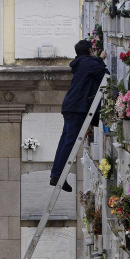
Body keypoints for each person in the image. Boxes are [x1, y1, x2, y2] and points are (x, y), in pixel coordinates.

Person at [50, 39, 109, 192]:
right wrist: (102, 58)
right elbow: (101, 71)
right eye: (92, 49)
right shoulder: (87, 63)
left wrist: (98, 59)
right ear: (90, 49)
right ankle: (58, 176)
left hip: (71, 106)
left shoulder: (80, 62)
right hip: (77, 108)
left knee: (64, 142)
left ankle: (56, 174)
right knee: (69, 143)